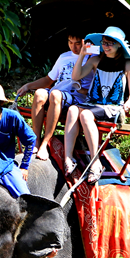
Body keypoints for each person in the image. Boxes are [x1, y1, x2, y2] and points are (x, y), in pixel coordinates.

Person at [63, 27, 130, 181]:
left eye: (110, 43)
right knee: (72, 110)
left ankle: (95, 162)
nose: (106, 46)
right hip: (92, 103)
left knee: (85, 114)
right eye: (104, 43)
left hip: (111, 107)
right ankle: (68, 158)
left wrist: (129, 102)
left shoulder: (127, 64)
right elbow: (76, 76)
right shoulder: (96, 60)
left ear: (119, 45)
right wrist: (82, 55)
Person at [15, 30, 94, 160]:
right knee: (40, 93)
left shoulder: (92, 58)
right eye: (70, 42)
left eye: (78, 43)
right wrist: (28, 85)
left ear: (85, 43)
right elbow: (48, 80)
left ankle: (46, 143)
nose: (73, 47)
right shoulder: (64, 57)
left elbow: (98, 83)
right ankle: (36, 140)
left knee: (56, 95)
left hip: (76, 97)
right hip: (56, 93)